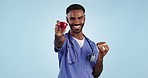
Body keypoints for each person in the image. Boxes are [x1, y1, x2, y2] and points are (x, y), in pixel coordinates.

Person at [54, 4, 109, 78]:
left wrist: (100, 56)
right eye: (72, 18)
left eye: (80, 18)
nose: (77, 22)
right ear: (67, 20)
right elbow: (59, 41)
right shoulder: (65, 40)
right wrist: (58, 35)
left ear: (84, 18)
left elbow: (96, 75)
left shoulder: (92, 46)